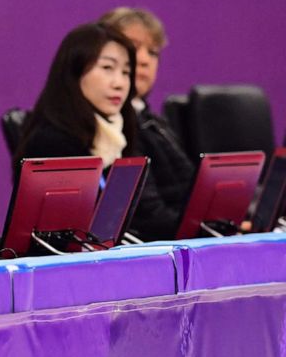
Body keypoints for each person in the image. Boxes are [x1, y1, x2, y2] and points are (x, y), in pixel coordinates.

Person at [15, 22, 178, 243]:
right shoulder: (51, 142)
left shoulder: (119, 136)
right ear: (75, 72)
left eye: (126, 72)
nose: (120, 83)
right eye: (107, 68)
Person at [98, 7, 194, 211]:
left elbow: (190, 187)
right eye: (133, 47)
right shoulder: (107, 126)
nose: (144, 60)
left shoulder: (154, 121)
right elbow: (145, 213)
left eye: (152, 52)